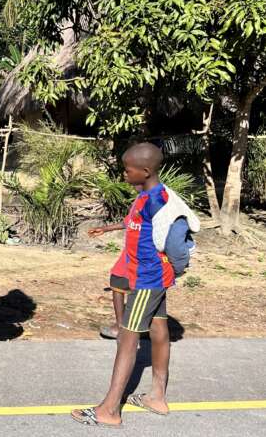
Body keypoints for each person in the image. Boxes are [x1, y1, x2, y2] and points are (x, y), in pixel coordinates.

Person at [72, 143, 198, 427]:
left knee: (127, 339)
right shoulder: (145, 195)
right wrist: (109, 228)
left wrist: (174, 268)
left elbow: (178, 241)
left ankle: (109, 410)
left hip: (147, 280)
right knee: (159, 329)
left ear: (145, 171)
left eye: (127, 170)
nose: (124, 174)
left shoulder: (159, 200)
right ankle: (157, 398)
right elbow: (135, 225)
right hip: (151, 277)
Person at [89, 184, 144, 340]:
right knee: (118, 280)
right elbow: (129, 222)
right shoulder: (140, 199)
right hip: (130, 251)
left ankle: (127, 328)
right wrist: (105, 229)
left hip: (142, 253)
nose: (128, 180)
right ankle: (124, 325)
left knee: (135, 286)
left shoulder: (153, 200)